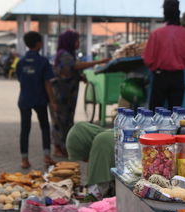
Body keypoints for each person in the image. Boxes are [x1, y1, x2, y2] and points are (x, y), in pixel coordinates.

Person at [50, 30, 110, 157]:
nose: (78, 43)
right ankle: (58, 148)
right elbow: (76, 66)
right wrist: (99, 62)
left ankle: (64, 147)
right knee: (60, 120)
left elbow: (71, 71)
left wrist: (80, 77)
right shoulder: (64, 54)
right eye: (76, 40)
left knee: (67, 120)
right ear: (69, 41)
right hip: (62, 94)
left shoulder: (68, 54)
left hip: (68, 94)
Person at [143, 0, 185, 110]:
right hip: (178, 78)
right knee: (175, 114)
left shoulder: (156, 34)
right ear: (178, 12)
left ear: (164, 13)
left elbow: (148, 59)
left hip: (160, 77)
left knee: (155, 114)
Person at [16, 31, 57, 169]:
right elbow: (47, 83)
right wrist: (52, 101)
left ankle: (24, 160)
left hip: (24, 99)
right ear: (39, 43)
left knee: (25, 129)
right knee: (44, 127)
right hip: (40, 99)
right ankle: (46, 156)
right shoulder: (43, 61)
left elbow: (19, 79)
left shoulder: (21, 62)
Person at [66, 122, 114, 191]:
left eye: (84, 158)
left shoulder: (101, 141)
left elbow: (100, 190)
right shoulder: (109, 134)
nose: (87, 161)